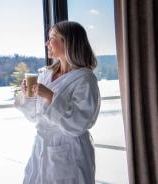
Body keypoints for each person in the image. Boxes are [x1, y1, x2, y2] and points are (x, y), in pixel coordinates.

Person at [14, 21, 101, 184]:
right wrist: (28, 96)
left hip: (70, 151)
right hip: (41, 149)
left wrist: (50, 96)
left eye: (52, 37)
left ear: (68, 42)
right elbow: (35, 116)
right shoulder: (46, 74)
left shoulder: (85, 79)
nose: (47, 43)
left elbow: (79, 123)